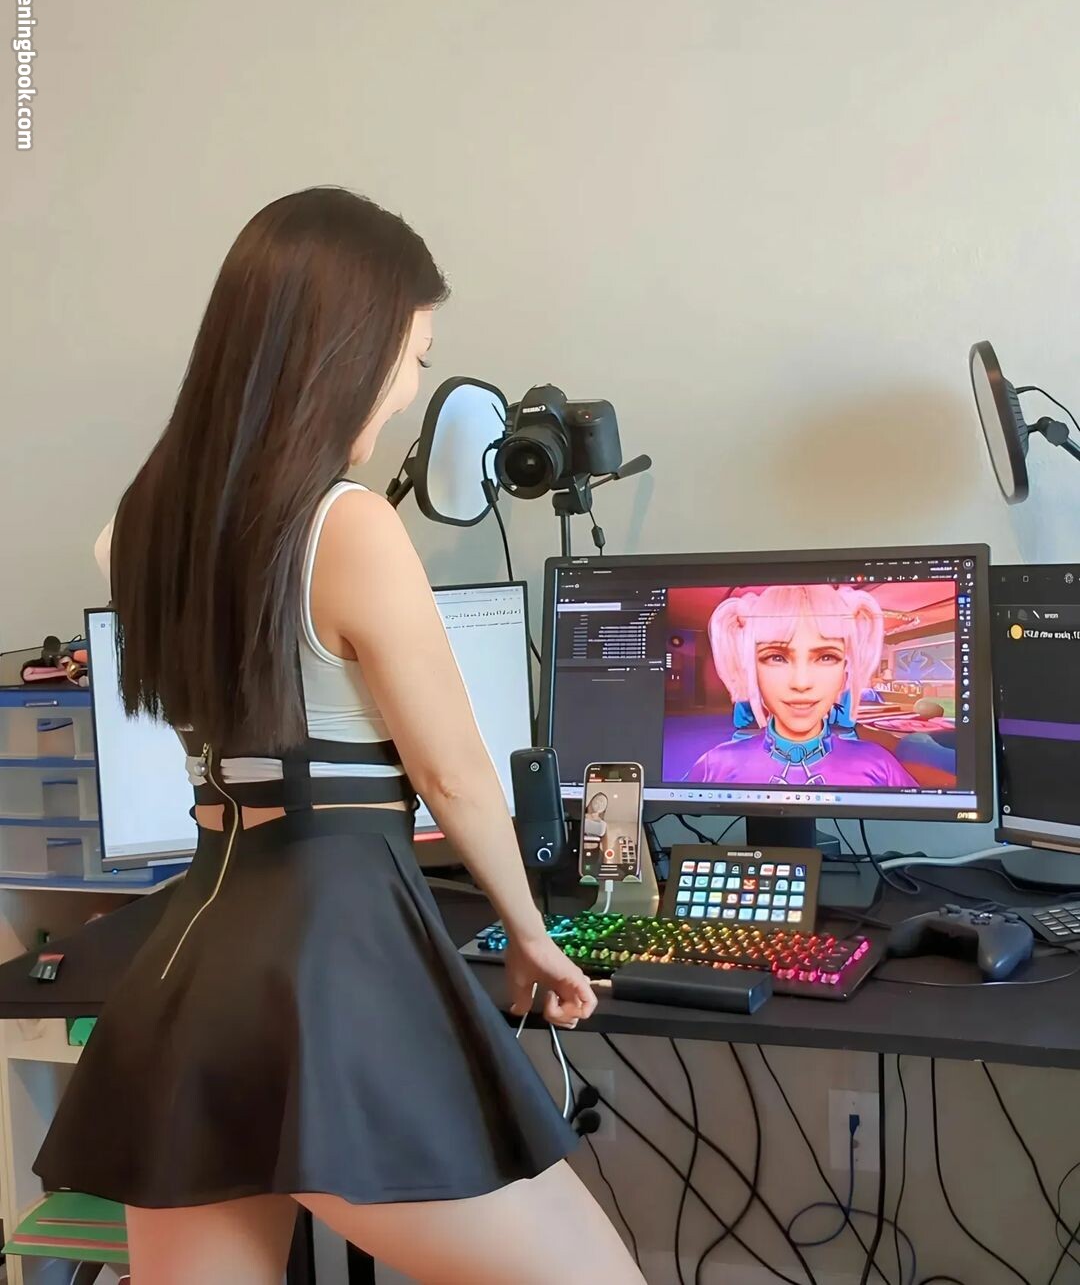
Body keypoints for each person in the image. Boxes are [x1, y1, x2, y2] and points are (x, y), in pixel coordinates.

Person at [34, 188, 645, 1285]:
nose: (408, 392)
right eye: (414, 357)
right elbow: (454, 774)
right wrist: (531, 935)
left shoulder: (134, 529)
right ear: (346, 350)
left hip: (190, 971)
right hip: (333, 972)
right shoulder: (346, 526)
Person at [686, 583, 918, 787]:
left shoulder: (880, 766)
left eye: (826, 657)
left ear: (845, 668)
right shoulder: (715, 765)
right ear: (751, 667)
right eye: (776, 657)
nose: (801, 683)